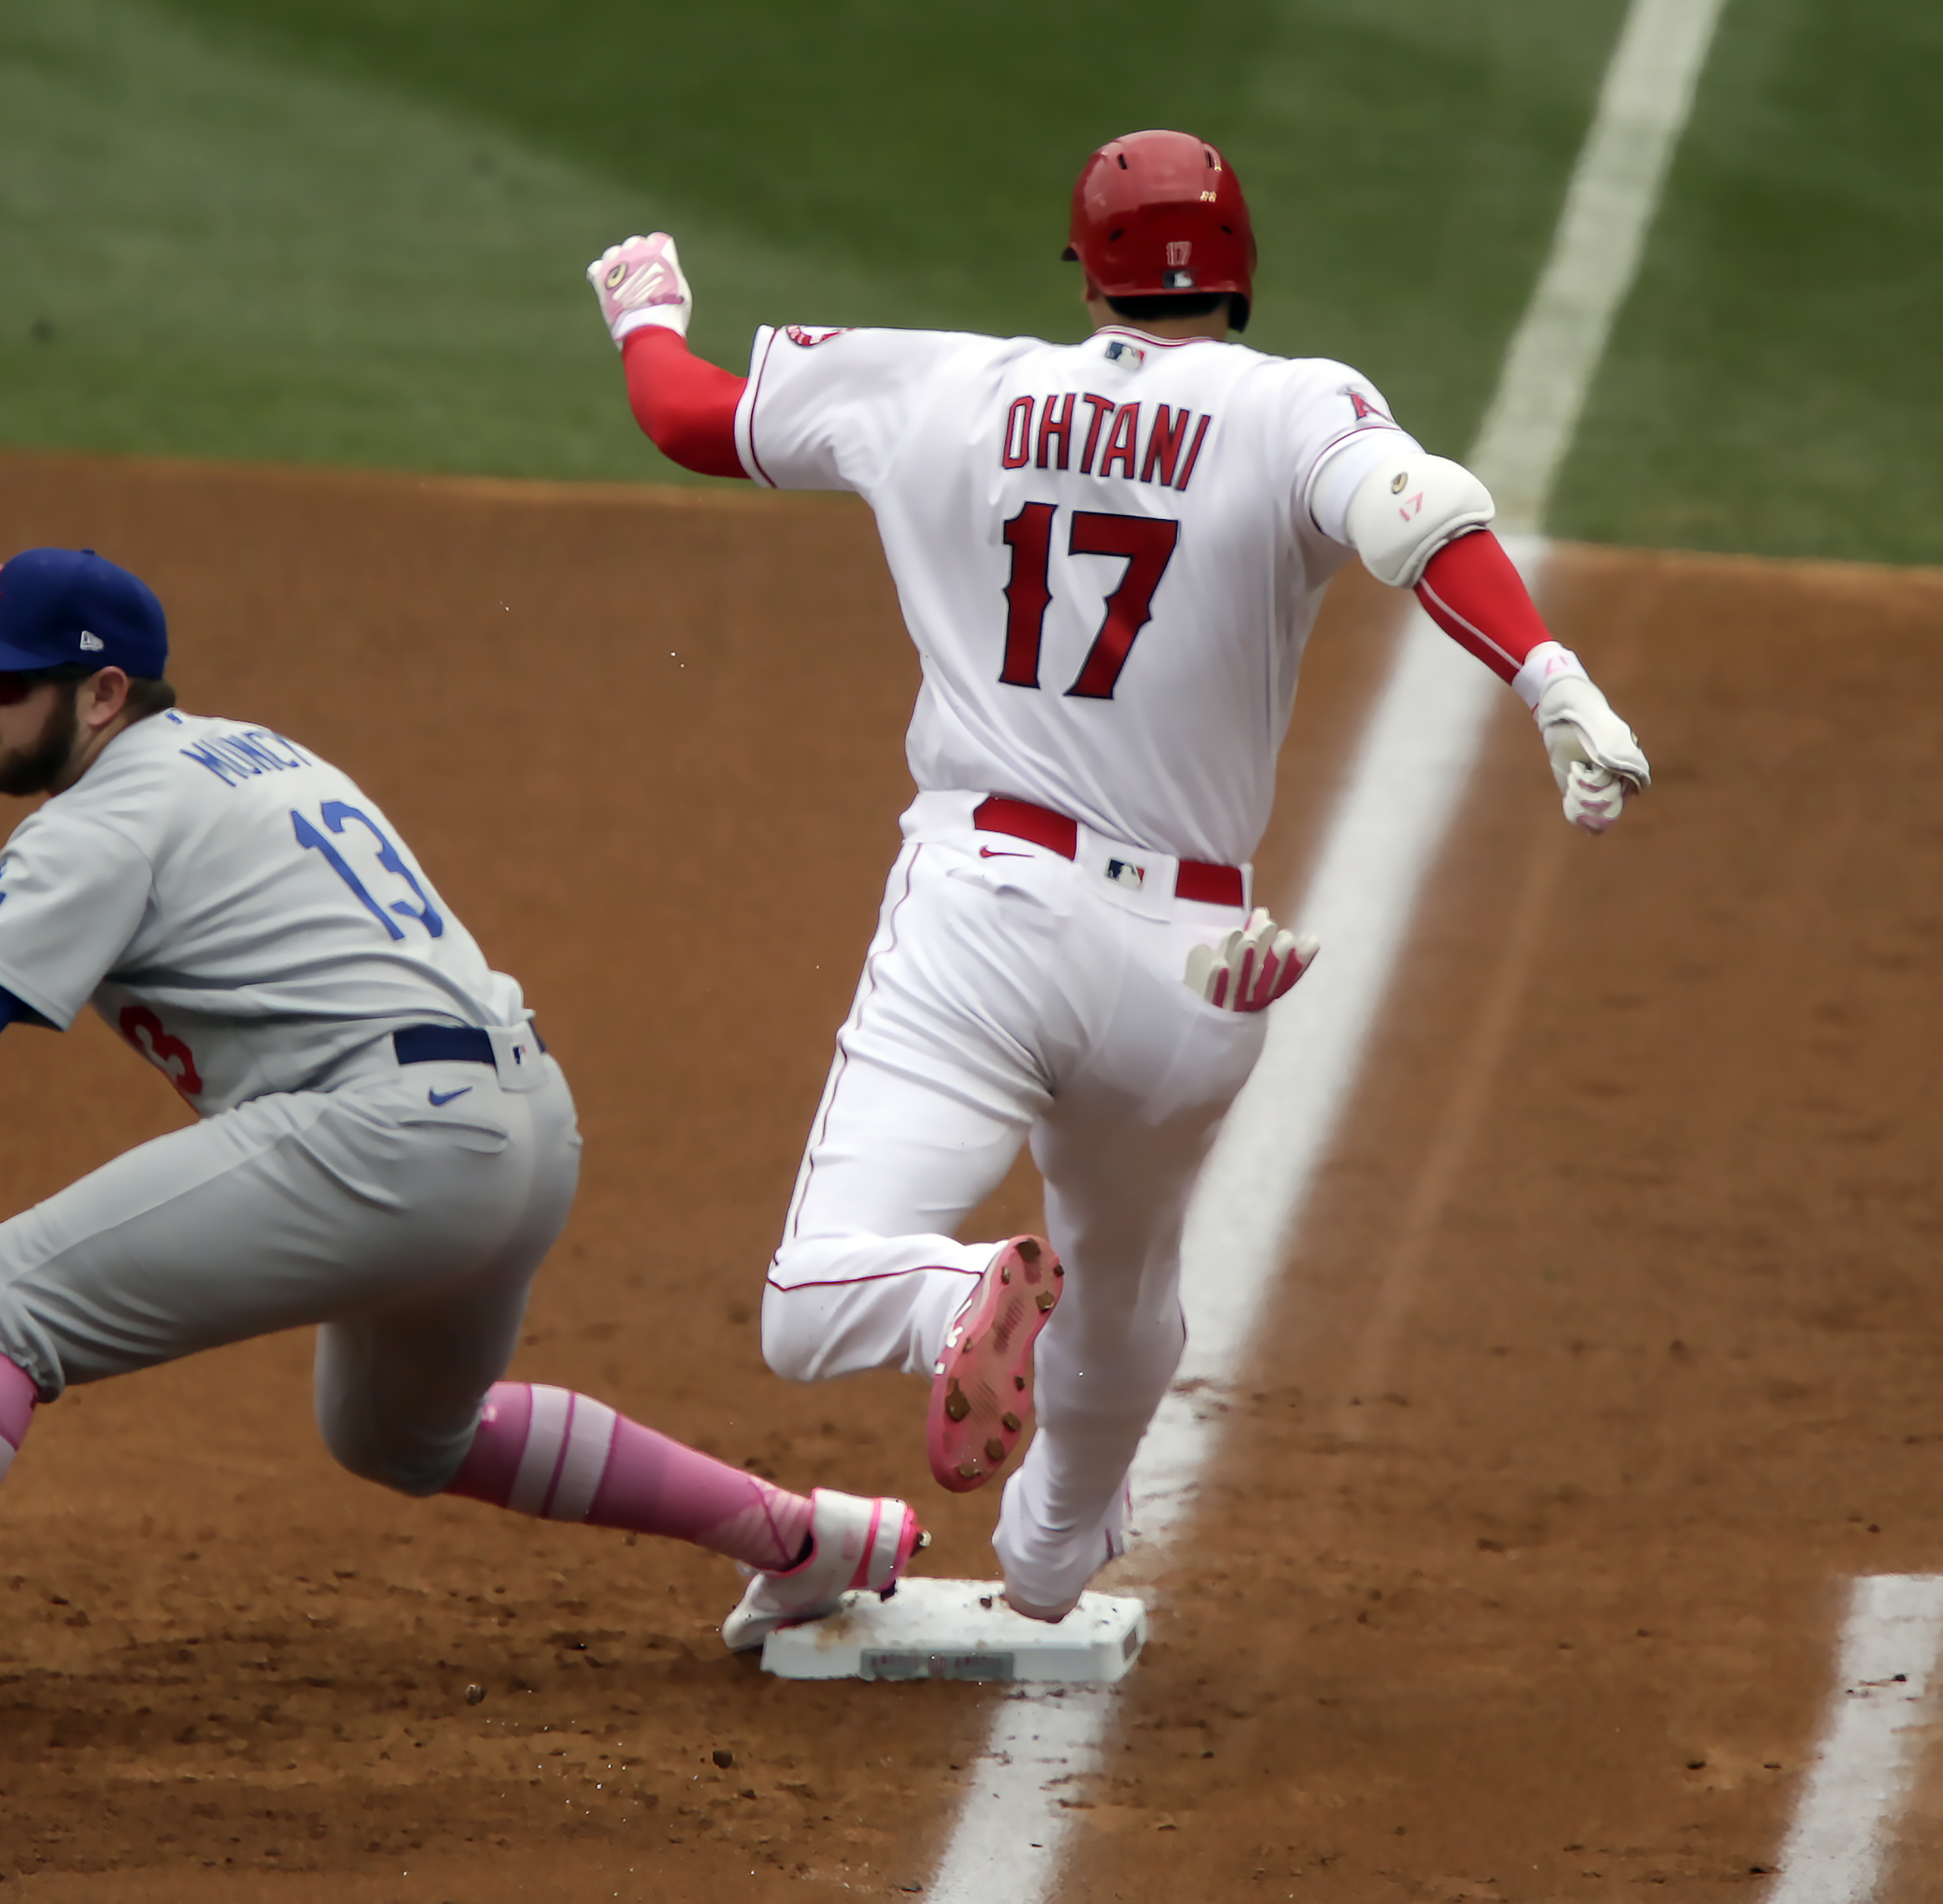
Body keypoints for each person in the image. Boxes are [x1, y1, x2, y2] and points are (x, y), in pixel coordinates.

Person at [0, 546, 921, 1753]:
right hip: (522, 1129)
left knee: (0, 1295)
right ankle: (800, 1537)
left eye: (7, 680)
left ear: (103, 696)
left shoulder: (111, 814)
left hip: (390, 1139)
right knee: (397, 1431)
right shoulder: (257, 750)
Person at [580, 131, 1650, 1621]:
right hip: (1201, 957)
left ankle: (958, 1298)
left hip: (986, 910)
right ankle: (1051, 1546)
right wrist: (1549, 680)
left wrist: (645, 312)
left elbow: (693, 420)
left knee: (813, 1298)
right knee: (1127, 1276)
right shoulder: (1294, 406)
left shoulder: (946, 385)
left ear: (1081, 271)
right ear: (1242, 268)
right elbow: (1420, 520)